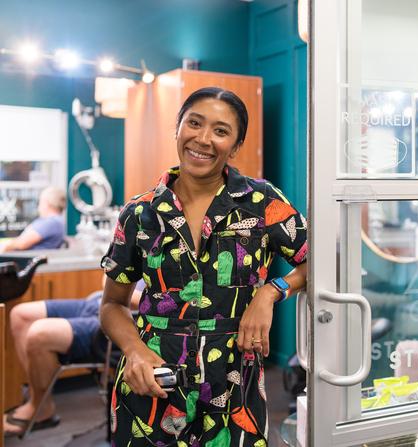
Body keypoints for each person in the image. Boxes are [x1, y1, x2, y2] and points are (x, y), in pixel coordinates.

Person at [100, 87, 308, 446]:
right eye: (194, 123)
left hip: (234, 391)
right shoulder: (139, 212)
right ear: (178, 128)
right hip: (153, 389)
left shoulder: (261, 202)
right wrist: (134, 350)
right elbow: (111, 305)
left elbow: (322, 260)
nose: (203, 139)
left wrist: (271, 292)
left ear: (235, 145)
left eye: (221, 131)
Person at [2, 277, 144, 437]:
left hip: (123, 321)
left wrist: (118, 289)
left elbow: (158, 304)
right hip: (99, 304)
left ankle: (39, 408)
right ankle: (39, 400)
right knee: (20, 314)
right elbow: (110, 273)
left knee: (38, 334)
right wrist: (114, 286)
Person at [0, 186, 66, 253]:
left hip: (26, 258)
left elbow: (22, 243)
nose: (38, 206)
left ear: (47, 203)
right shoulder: (53, 221)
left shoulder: (52, 222)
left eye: (40, 202)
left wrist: (6, 245)